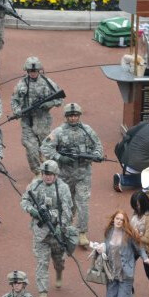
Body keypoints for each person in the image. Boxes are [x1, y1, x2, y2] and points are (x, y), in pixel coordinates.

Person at [41, 102, 103, 248]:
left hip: (83, 174)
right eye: (70, 116)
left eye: (75, 115)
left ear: (79, 116)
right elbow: (45, 147)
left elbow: (98, 146)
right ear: (66, 117)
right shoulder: (59, 132)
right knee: (66, 204)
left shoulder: (87, 131)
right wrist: (59, 157)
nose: (73, 118)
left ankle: (82, 232)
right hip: (65, 175)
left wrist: (96, 155)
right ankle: (65, 227)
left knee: (83, 203)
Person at [20, 160, 73, 297]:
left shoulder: (63, 188)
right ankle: (42, 294)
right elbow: (24, 201)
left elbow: (67, 210)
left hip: (57, 231)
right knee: (41, 263)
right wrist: (32, 211)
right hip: (40, 233)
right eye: (45, 174)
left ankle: (59, 272)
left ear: (55, 175)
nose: (47, 177)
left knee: (58, 260)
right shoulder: (35, 185)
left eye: (50, 174)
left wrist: (61, 227)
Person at [90, 210, 149, 297]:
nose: (119, 221)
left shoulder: (129, 235)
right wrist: (100, 248)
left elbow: (140, 248)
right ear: (113, 219)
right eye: (117, 218)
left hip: (125, 272)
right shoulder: (109, 232)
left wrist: (145, 258)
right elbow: (107, 246)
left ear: (125, 222)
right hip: (111, 272)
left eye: (121, 220)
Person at [10, 56, 64, 176]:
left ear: (39, 70)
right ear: (27, 71)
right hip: (27, 121)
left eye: (35, 71)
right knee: (31, 148)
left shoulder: (47, 82)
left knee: (46, 147)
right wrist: (17, 110)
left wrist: (47, 104)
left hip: (43, 121)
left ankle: (50, 169)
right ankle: (38, 173)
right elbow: (14, 100)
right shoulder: (21, 84)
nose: (33, 73)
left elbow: (60, 99)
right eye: (30, 71)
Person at [113, 117, 149, 192]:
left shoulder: (144, 124)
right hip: (135, 166)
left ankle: (123, 177)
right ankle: (123, 180)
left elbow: (129, 132)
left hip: (124, 159)